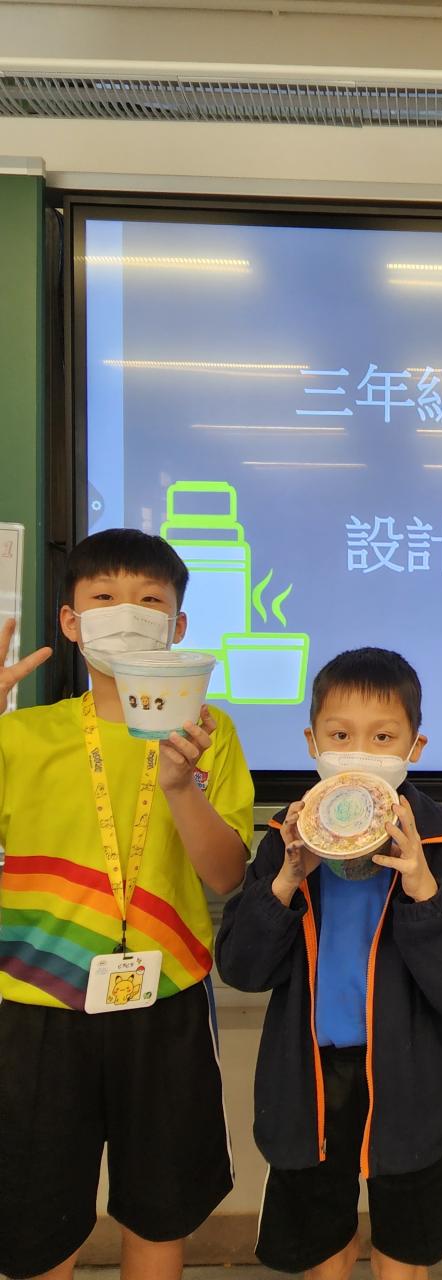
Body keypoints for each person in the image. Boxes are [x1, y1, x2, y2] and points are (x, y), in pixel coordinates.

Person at [0, 527, 254, 1280]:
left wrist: (180, 787)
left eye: (149, 600)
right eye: (104, 597)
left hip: (166, 999)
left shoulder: (209, 732)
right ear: (71, 622)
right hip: (37, 1004)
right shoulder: (23, 736)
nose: (127, 613)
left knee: (160, 1207)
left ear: (178, 625)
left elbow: (227, 876)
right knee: (36, 1219)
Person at [216, 646, 442, 1280]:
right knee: (320, 1241)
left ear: (415, 747)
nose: (360, 751)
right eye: (341, 735)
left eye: (382, 737)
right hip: (309, 1081)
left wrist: (423, 886)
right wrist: (286, 878)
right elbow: (243, 970)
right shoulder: (286, 834)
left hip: (410, 1079)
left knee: (407, 1244)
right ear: (312, 742)